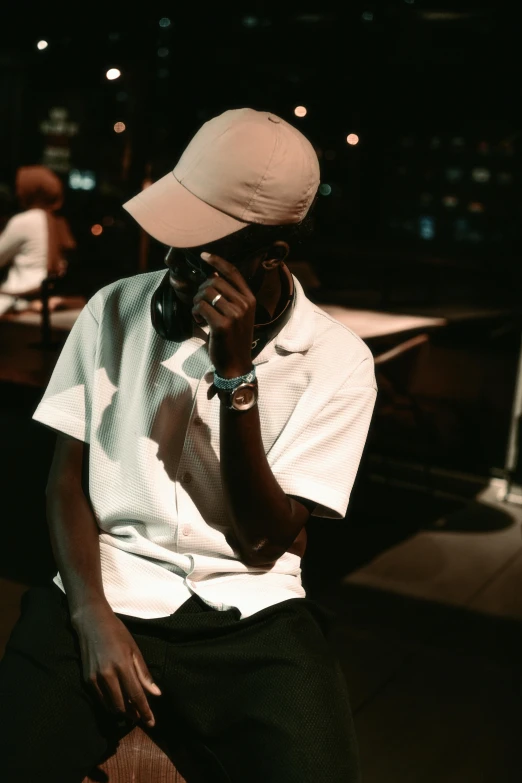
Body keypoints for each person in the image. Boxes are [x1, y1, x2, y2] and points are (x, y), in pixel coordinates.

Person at [0, 108, 377, 782]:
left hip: (250, 610)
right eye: (172, 233)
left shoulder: (338, 360)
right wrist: (88, 611)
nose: (173, 259)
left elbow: (265, 540)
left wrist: (238, 380)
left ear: (271, 254)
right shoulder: (112, 308)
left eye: (201, 244)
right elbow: (66, 477)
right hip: (101, 581)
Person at [0, 165, 76, 315]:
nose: (17, 193)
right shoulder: (57, 221)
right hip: (47, 292)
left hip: (21, 296)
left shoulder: (24, 220)